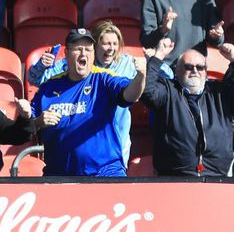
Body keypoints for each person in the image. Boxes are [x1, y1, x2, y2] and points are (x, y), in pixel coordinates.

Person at [29, 28, 147, 177]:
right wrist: (38, 122)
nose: (83, 54)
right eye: (78, 49)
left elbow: (130, 95)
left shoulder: (103, 79)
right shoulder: (49, 86)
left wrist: (141, 76)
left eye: (88, 50)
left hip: (105, 174)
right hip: (59, 177)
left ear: (93, 54)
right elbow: (26, 128)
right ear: (66, 54)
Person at [141, 39, 234, 177]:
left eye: (200, 67)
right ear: (177, 71)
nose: (195, 71)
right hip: (174, 177)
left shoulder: (219, 92)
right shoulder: (168, 90)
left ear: (206, 71)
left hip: (216, 177)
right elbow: (147, 93)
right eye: (188, 67)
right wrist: (158, 57)